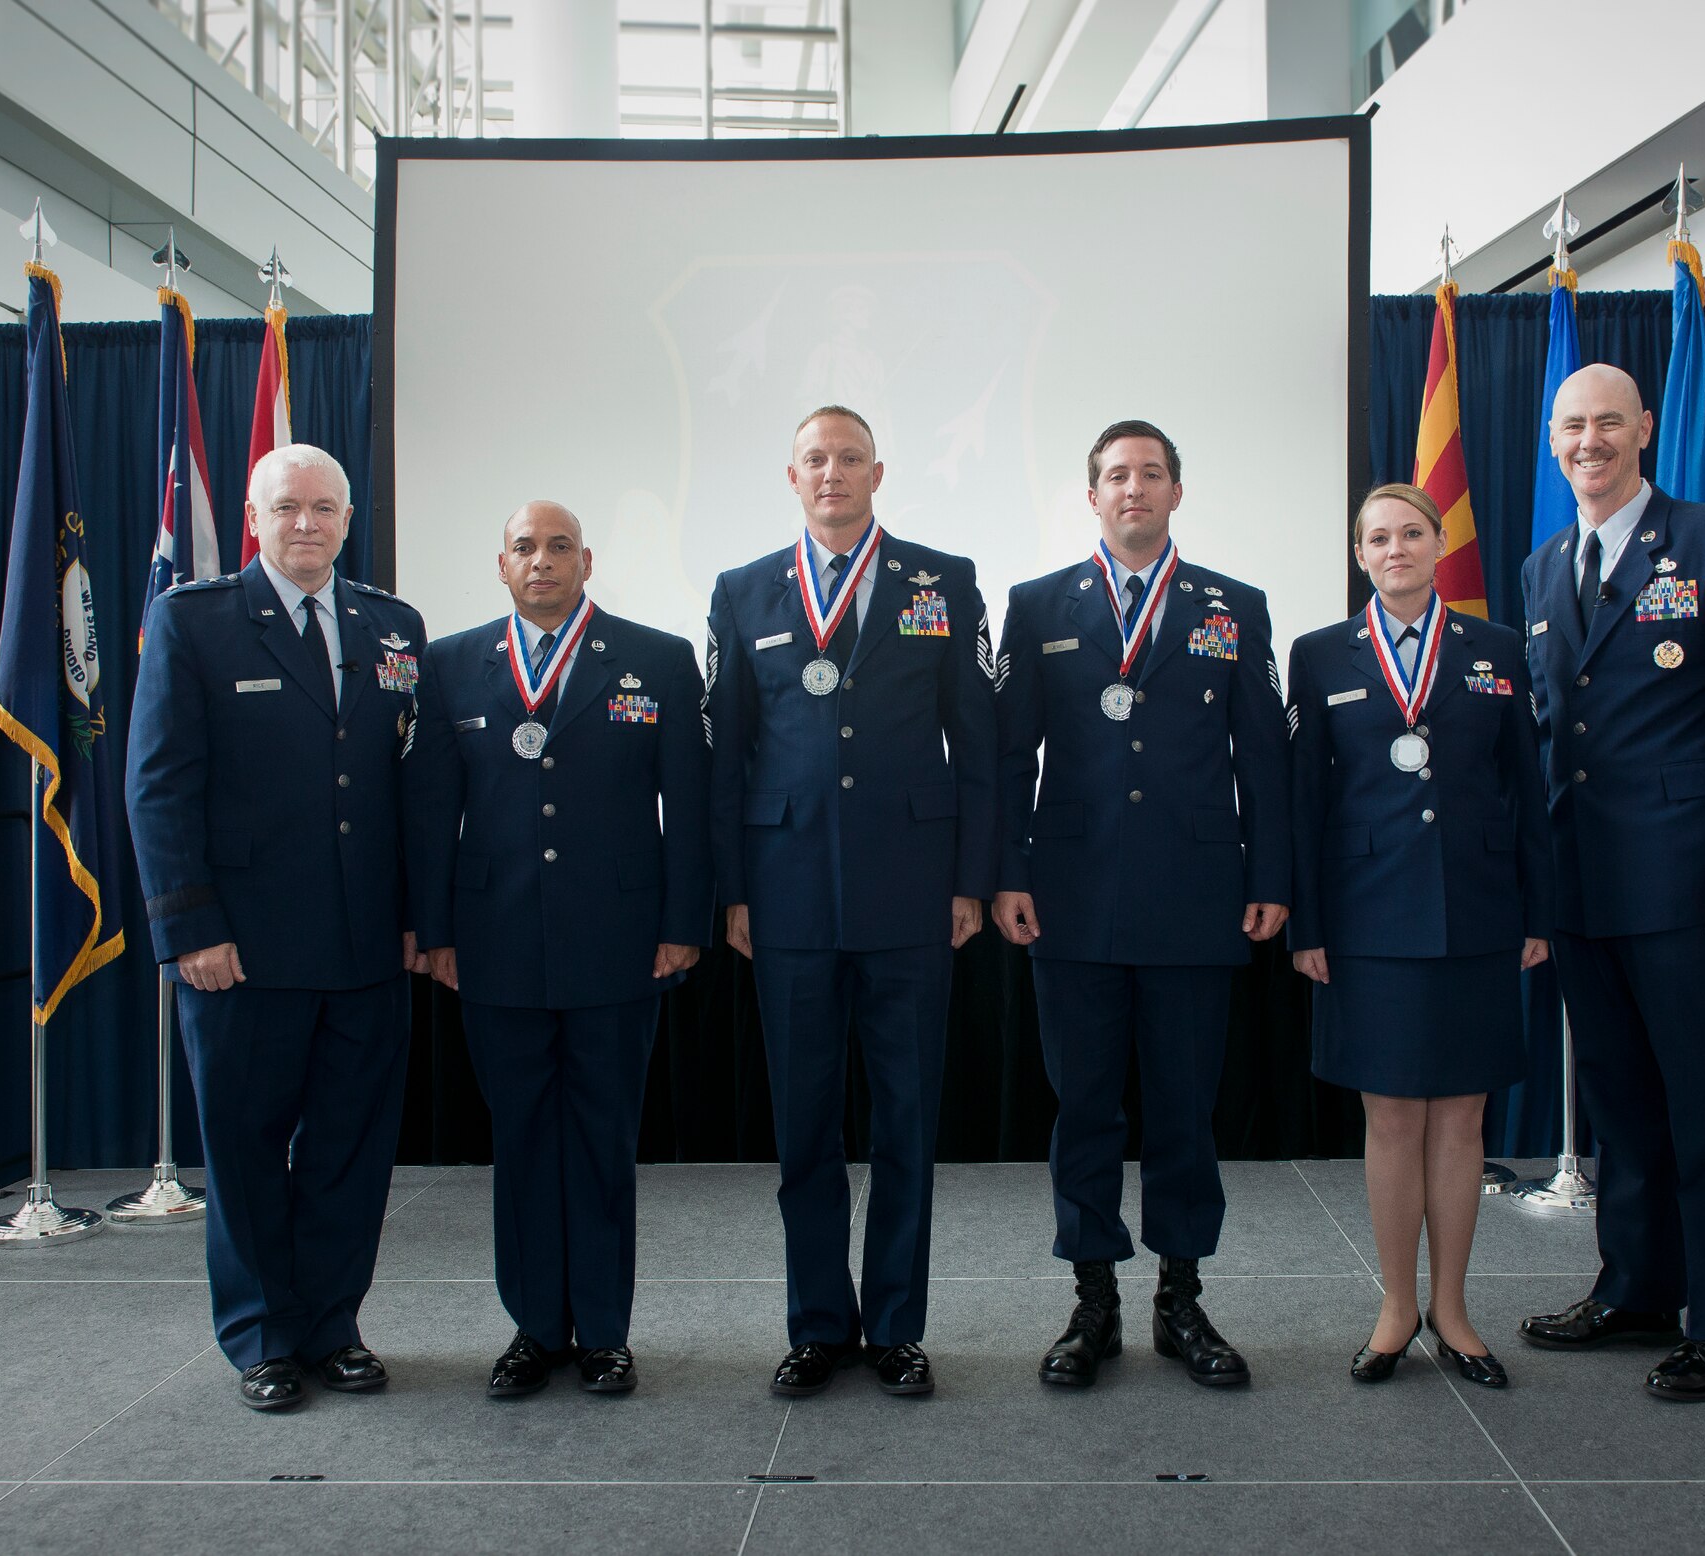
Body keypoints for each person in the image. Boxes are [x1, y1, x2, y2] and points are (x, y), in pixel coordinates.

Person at [1518, 364, 1705, 1402]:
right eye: (1569, 426)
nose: (1586, 440)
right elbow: (1551, 736)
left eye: (1604, 422)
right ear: (1552, 442)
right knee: (1619, 1103)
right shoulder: (1544, 563)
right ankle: (1638, 1286)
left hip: (1691, 884)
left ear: (1641, 428)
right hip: (1582, 885)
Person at [126, 443, 428, 1411]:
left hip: (367, 942)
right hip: (241, 948)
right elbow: (159, 786)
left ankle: (333, 1322)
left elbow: (410, 791)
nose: (308, 523)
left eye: (325, 507)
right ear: (255, 517)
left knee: (350, 1144)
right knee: (247, 1145)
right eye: (288, 507)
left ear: (348, 516)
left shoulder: (391, 624)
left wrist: (421, 919)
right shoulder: (195, 621)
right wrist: (189, 927)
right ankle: (260, 1332)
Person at [707, 405, 997, 1398]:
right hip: (785, 896)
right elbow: (726, 754)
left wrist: (969, 878)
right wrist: (733, 890)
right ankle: (816, 1323)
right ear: (789, 476)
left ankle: (897, 1328)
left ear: (878, 470)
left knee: (907, 1123)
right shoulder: (742, 590)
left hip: (911, 893)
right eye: (813, 459)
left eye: (847, 457)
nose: (830, 472)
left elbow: (979, 743)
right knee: (803, 1128)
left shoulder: (940, 581)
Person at [992, 419, 1288, 1390]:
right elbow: (1007, 758)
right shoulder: (1037, 606)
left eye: (1149, 473)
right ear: (1090, 496)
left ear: (1173, 491)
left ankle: (1179, 1295)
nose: (1132, 488)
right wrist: (1006, 871)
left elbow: (1265, 762)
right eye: (1114, 475)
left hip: (1194, 899)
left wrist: (1270, 876)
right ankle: (1093, 1300)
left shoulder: (1230, 606)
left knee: (1180, 1107)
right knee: (1083, 1106)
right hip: (1070, 901)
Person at [408, 501, 710, 1399]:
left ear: (588, 560)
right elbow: (430, 813)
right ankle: (536, 1329)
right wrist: (438, 932)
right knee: (524, 1141)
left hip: (619, 945)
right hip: (494, 945)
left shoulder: (657, 660)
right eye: (525, 548)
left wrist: (682, 922)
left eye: (560, 546)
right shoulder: (451, 664)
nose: (542, 561)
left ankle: (607, 1333)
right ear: (500, 563)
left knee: (604, 1140)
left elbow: (687, 808)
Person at [1286, 482, 1553, 1390]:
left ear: (1440, 543)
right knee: (1393, 1118)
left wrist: (1537, 910)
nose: (1394, 549)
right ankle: (1397, 1307)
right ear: (1358, 554)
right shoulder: (1319, 655)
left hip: (1478, 913)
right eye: (1376, 538)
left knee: (1464, 1120)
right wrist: (1308, 926)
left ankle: (1455, 1311)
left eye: (1410, 533)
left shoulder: (1498, 650)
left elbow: (1527, 792)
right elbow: (1304, 804)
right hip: (1367, 919)